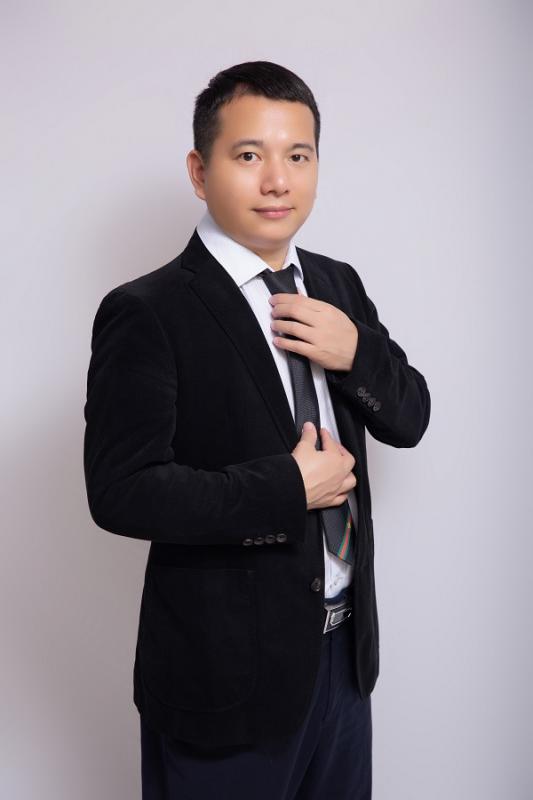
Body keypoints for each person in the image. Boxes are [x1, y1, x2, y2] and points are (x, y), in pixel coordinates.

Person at [83, 60, 431, 800]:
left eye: (298, 156)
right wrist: (285, 488)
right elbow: (120, 492)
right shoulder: (147, 310)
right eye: (249, 155)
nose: (278, 181)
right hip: (223, 683)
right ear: (199, 171)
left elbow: (410, 419)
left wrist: (356, 353)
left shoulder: (336, 283)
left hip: (343, 663)